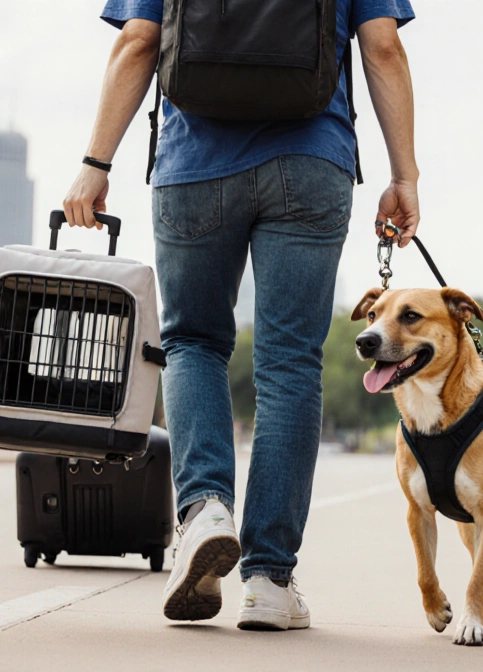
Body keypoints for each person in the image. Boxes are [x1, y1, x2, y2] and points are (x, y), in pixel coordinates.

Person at [63, 0, 419, 631]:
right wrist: (404, 176)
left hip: (193, 165)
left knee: (193, 343)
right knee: (289, 367)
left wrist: (95, 165)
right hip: (312, 162)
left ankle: (204, 510)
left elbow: (138, 41)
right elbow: (383, 47)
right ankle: (268, 580)